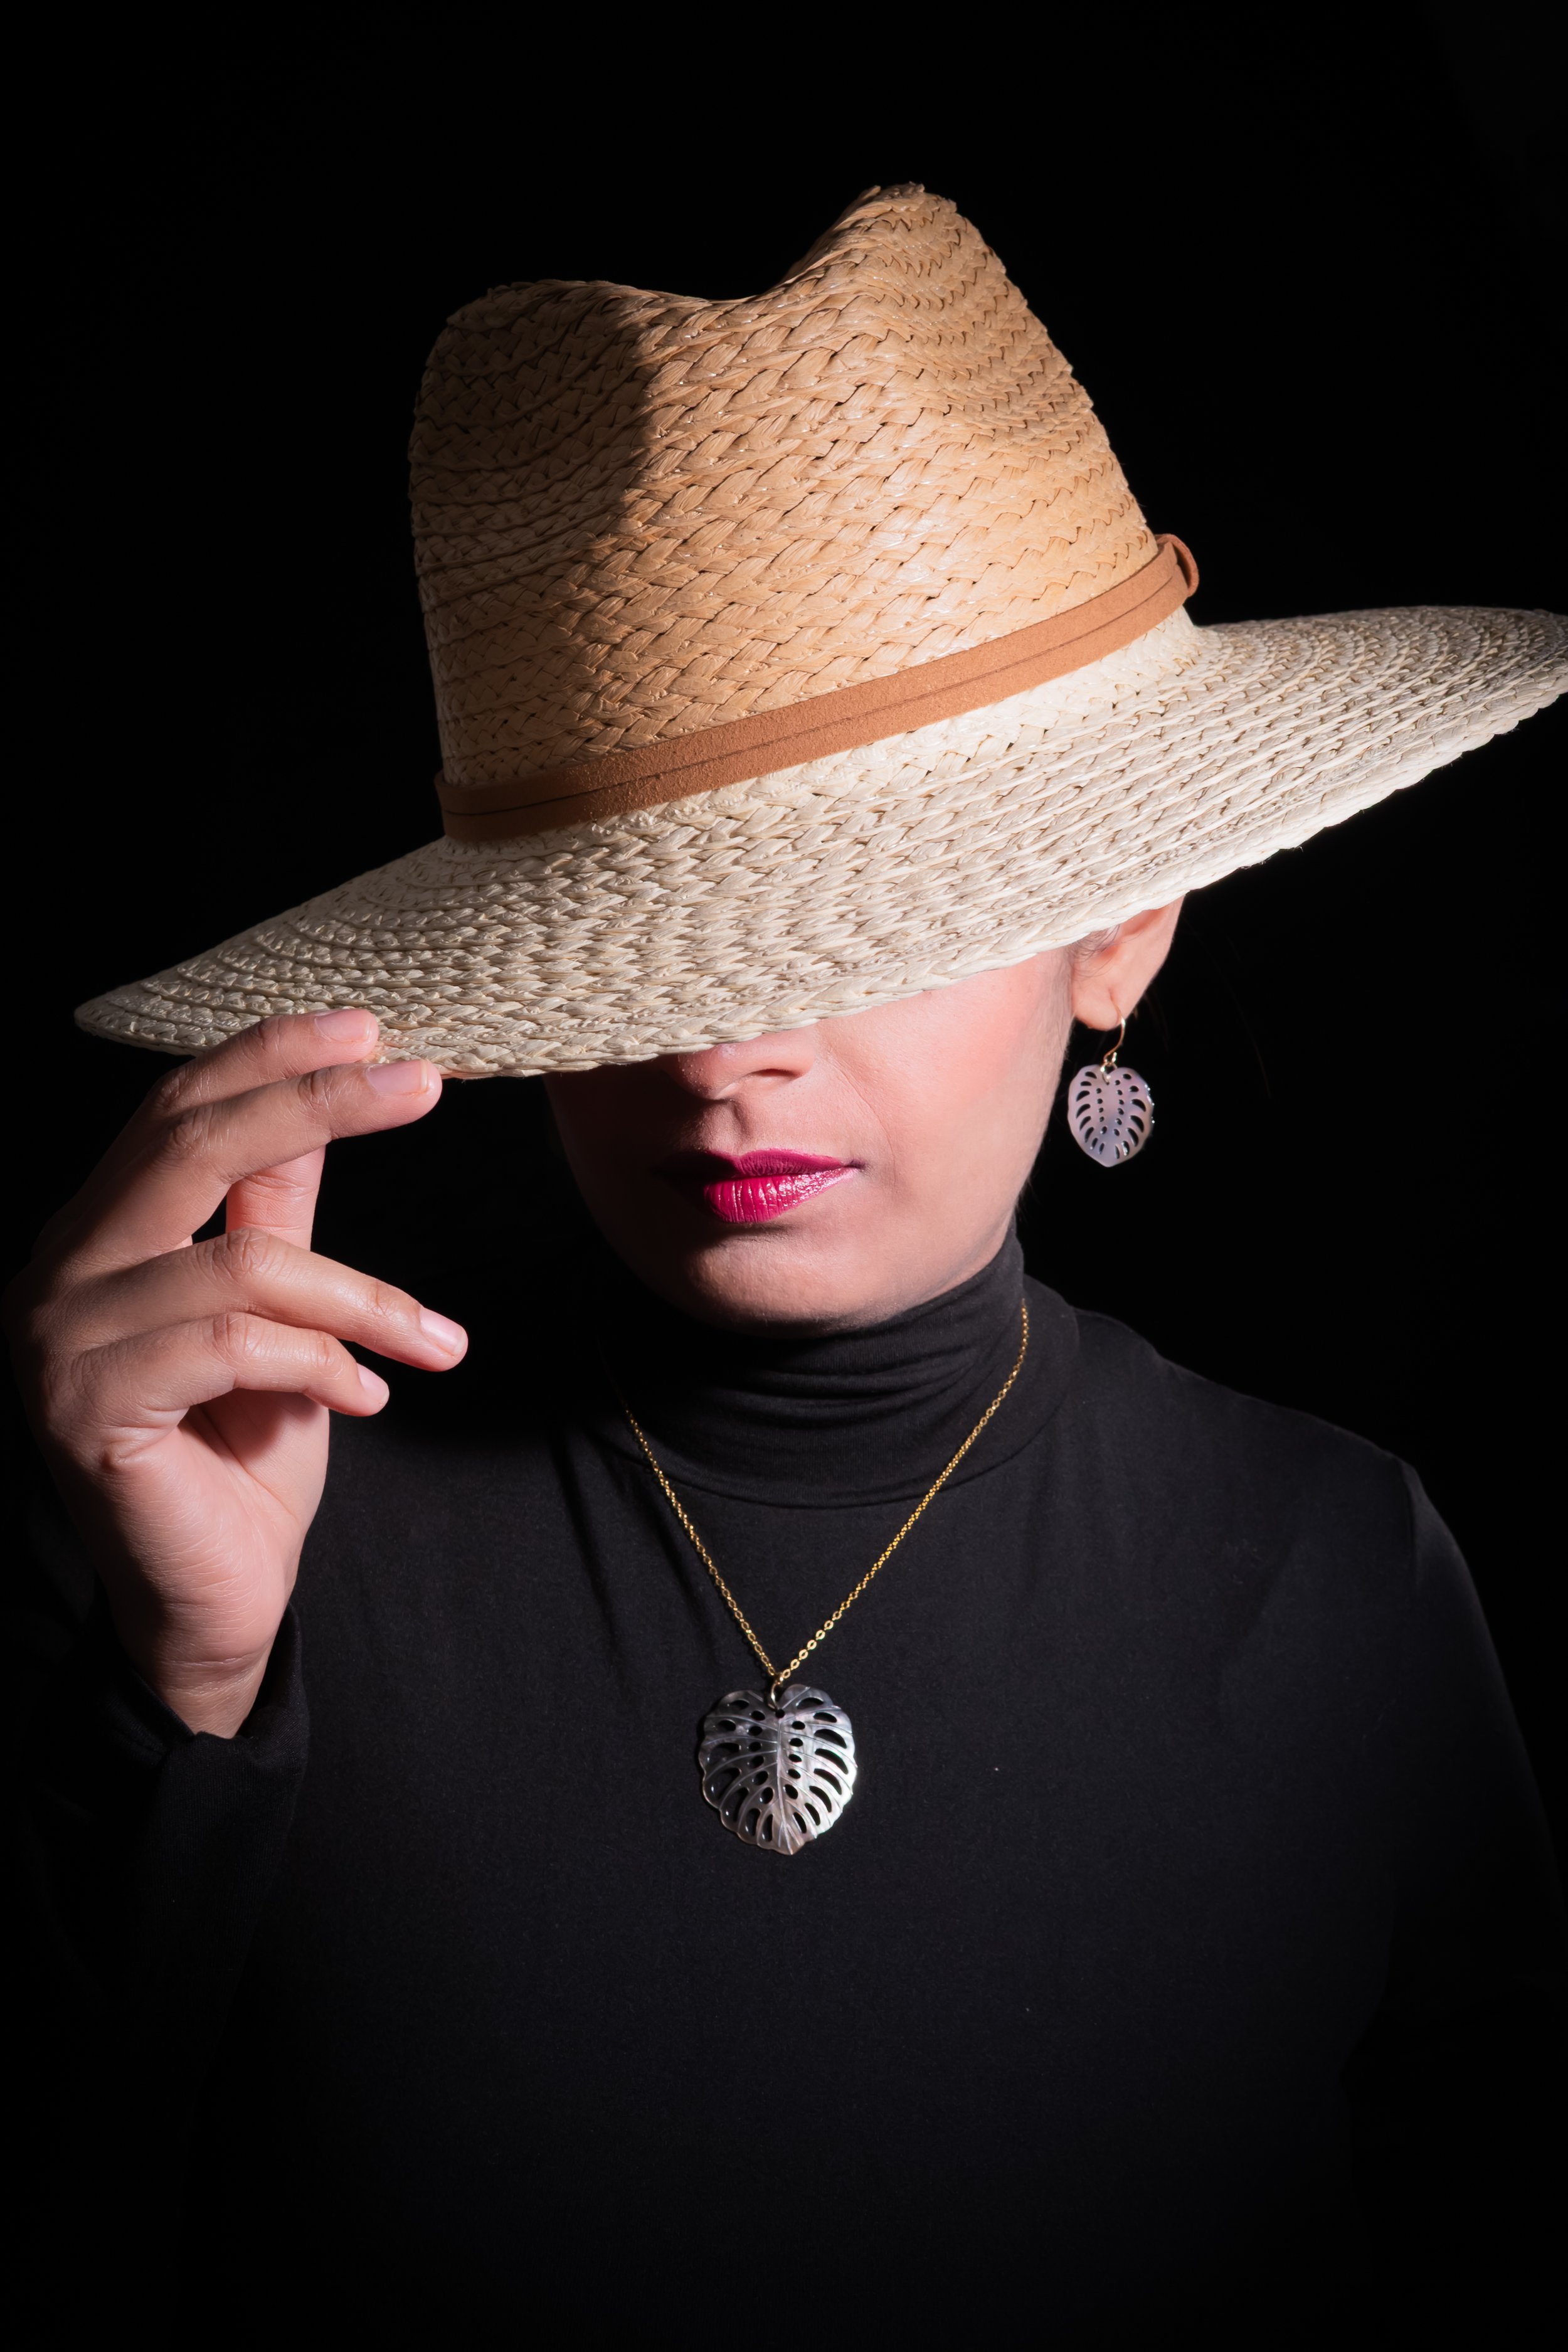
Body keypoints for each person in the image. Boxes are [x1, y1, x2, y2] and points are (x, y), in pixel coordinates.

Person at [8, 187, 1564, 2339]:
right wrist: (173, 1711)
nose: (729, 1052)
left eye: (864, 930)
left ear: (1121, 929)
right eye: (632, 944)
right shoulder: (253, 1548)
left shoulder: (1331, 1568)